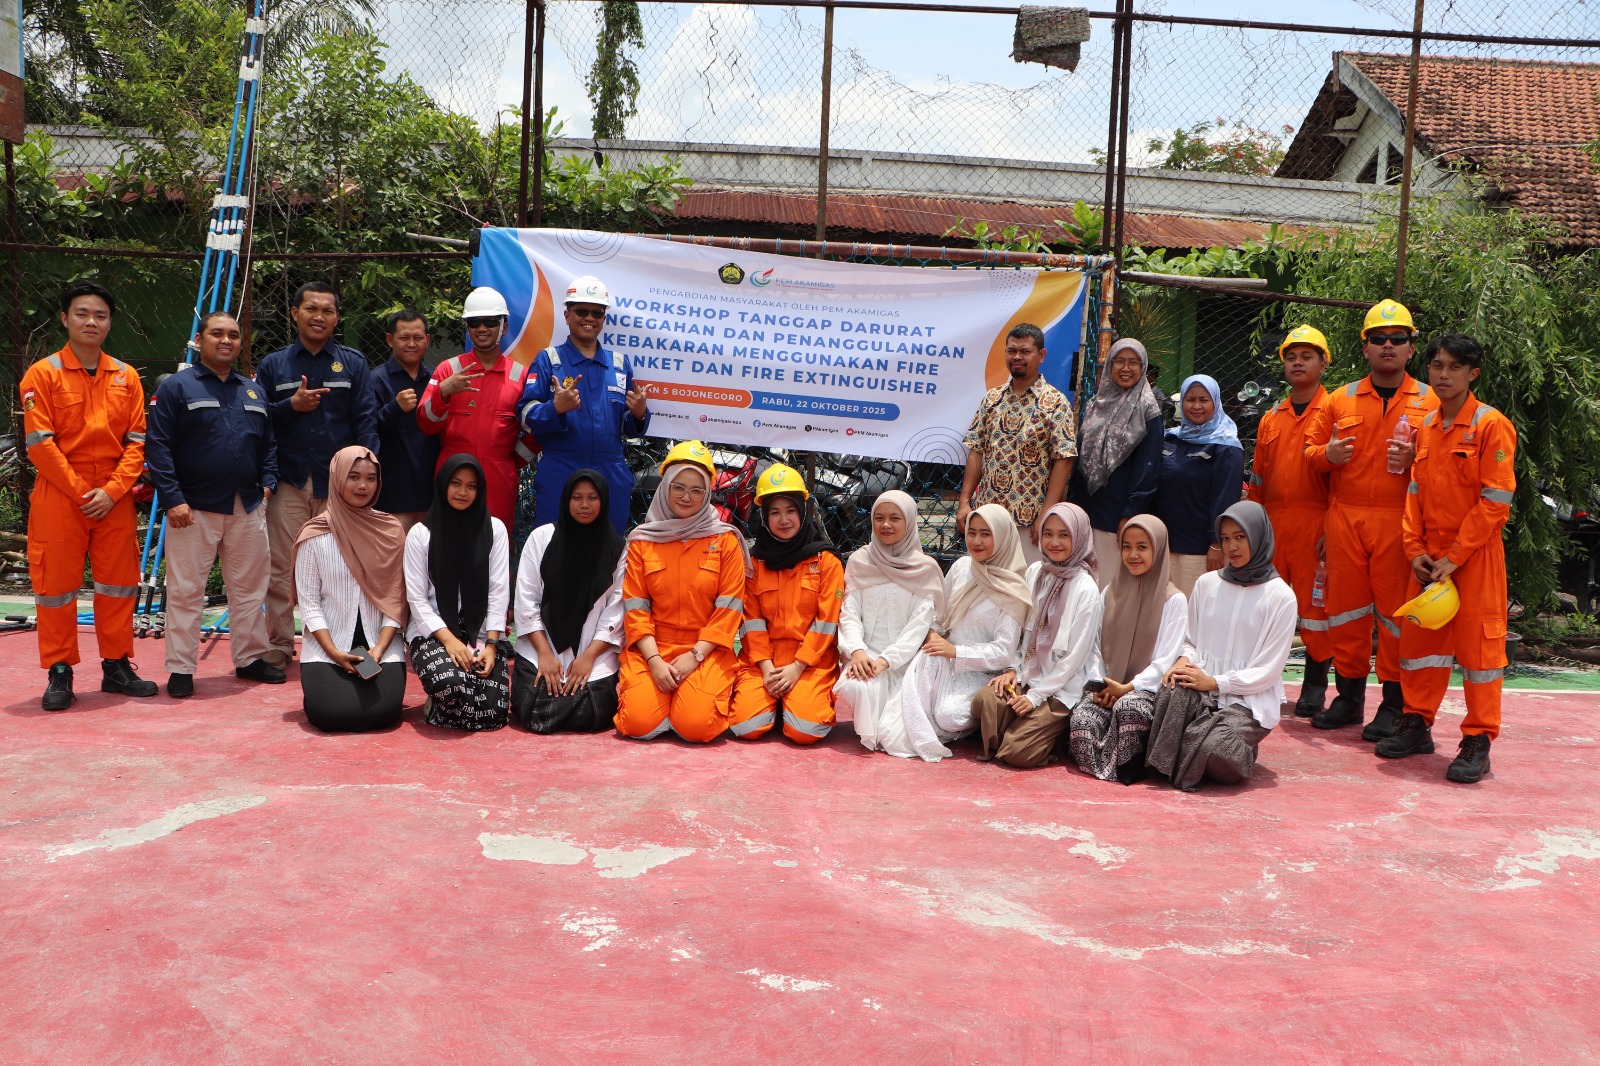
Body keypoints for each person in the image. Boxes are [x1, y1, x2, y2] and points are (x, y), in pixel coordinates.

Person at [1377, 335, 1517, 784]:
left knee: (1480, 652)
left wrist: (1455, 558)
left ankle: (1478, 740)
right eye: (1437, 365)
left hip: (1474, 558)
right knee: (1420, 647)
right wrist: (1415, 551)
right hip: (1428, 557)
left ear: (1472, 373)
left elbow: (1496, 500)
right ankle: (1416, 722)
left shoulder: (1491, 426)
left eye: (1454, 367)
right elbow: (1413, 495)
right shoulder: (1428, 426)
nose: (1443, 374)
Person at [21, 280, 159, 710]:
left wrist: (114, 490)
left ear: (110, 322)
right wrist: (85, 493)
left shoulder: (126, 376)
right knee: (56, 588)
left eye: (100, 315)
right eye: (82, 313)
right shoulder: (42, 374)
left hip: (113, 497)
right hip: (61, 495)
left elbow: (137, 441)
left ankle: (116, 666)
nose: (91, 321)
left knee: (118, 585)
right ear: (65, 319)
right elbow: (40, 444)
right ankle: (60, 671)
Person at [1304, 300, 1438, 737]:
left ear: (1410, 348)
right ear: (1364, 348)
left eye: (1397, 339)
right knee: (1344, 612)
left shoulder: (1431, 399)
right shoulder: (1340, 398)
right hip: (1345, 519)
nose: (1387, 345)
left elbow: (1449, 466)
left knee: (1395, 616)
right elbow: (1308, 453)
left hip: (1399, 522)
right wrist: (1328, 455)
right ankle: (1349, 697)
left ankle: (1393, 703)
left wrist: (1419, 455)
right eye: (1378, 339)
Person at [144, 311, 284, 698]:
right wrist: (172, 499)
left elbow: (269, 444)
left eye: (234, 335)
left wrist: (269, 484)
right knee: (187, 591)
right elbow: (158, 446)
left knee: (250, 589)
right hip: (192, 509)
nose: (227, 341)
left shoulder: (253, 391)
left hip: (248, 505)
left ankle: (250, 658)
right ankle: (181, 668)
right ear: (199, 339)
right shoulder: (177, 387)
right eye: (217, 334)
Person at [255, 281, 380, 668]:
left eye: (327, 310)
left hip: (338, 488)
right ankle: (279, 643)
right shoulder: (274, 365)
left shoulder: (353, 363)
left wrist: (364, 480)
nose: (319, 316)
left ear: (337, 317)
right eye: (311, 309)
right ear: (295, 313)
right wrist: (290, 405)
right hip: (290, 481)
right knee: (281, 566)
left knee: (342, 566)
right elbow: (258, 420)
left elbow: (366, 423)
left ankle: (339, 640)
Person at [1146, 501, 1298, 791]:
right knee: (1172, 690)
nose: (1232, 547)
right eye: (1226, 538)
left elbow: (1268, 670)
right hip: (1203, 686)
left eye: (1241, 537)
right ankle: (1189, 746)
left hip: (1247, 702)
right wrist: (1183, 661)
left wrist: (1215, 682)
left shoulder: (1280, 596)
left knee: (1217, 749)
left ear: (1259, 536)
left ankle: (1218, 747)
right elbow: (1190, 641)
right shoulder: (1206, 584)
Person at [614, 441, 747, 741]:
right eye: (678, 487)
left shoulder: (725, 541)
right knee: (637, 724)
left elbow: (729, 609)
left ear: (708, 494)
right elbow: (635, 609)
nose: (687, 497)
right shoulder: (642, 542)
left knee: (696, 726)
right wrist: (654, 662)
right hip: (653, 649)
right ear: (665, 488)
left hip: (705, 649)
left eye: (697, 490)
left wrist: (695, 656)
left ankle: (684, 704)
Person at [884, 504, 1030, 761]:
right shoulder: (963, 566)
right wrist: (932, 634)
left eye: (986, 534)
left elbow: (1004, 651)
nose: (976, 541)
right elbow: (941, 614)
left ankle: (944, 726)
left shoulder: (1013, 588)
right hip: (944, 659)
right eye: (972, 532)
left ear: (1003, 536)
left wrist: (955, 652)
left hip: (981, 671)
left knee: (948, 716)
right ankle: (916, 731)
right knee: (926, 660)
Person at [973, 502, 1103, 768]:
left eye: (1064, 535)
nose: (1054, 542)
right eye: (1048, 533)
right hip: (1027, 675)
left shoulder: (1085, 588)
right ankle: (1026, 731)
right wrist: (1011, 669)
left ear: (1079, 537)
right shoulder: (1036, 573)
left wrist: (1035, 697)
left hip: (1060, 688)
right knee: (984, 701)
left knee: (1018, 753)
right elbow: (1022, 633)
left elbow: (1074, 658)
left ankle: (1049, 733)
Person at [1247, 325, 1334, 717]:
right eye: (1291, 356)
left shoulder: (1335, 413)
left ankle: (1315, 686)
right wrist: (1253, 527)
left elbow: (1343, 479)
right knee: (1266, 609)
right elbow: (1258, 479)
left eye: (1307, 356)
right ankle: (1262, 683)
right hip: (1272, 525)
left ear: (1323, 363)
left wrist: (1332, 527)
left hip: (1316, 525)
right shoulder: (1271, 418)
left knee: (1316, 612)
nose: (1297, 363)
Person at [519, 276, 650, 535]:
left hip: (610, 469)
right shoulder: (549, 359)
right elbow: (525, 415)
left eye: (597, 312)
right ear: (567, 315)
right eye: (581, 311)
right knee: (552, 543)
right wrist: (554, 409)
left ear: (603, 318)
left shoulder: (619, 364)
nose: (589, 318)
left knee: (609, 548)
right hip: (561, 466)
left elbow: (628, 425)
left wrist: (638, 414)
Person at [291, 446, 409, 732]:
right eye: (353, 476)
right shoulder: (314, 534)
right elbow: (309, 604)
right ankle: (318, 696)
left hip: (380, 644)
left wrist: (379, 649)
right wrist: (334, 653)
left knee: (384, 711)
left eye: (371, 478)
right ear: (337, 478)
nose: (363, 486)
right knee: (331, 713)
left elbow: (397, 597)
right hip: (327, 646)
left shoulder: (390, 531)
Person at [728, 464, 845, 744]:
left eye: (791, 510)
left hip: (810, 662)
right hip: (762, 662)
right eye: (775, 512)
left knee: (805, 730)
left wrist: (798, 667)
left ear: (803, 513)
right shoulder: (754, 563)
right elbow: (751, 622)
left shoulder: (827, 561)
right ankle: (776, 702)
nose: (784, 520)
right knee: (747, 727)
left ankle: (791, 703)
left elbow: (827, 622)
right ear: (764, 517)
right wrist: (768, 669)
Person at [1067, 515, 1186, 783]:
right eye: (1126, 546)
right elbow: (1095, 644)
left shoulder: (1174, 601)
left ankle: (1131, 765)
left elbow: (1165, 661)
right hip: (1108, 687)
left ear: (1158, 549)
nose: (1132, 555)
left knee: (1129, 710)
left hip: (1145, 690)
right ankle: (1112, 765)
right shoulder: (1110, 591)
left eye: (1142, 547)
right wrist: (1102, 684)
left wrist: (1128, 688)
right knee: (1083, 721)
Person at [511, 469, 627, 733]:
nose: (584, 505)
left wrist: (588, 657)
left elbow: (614, 612)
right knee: (531, 710)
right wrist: (544, 654)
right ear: (566, 500)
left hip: (593, 650)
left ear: (604, 501)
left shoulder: (618, 549)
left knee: (592, 714)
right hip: (542, 645)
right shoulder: (541, 539)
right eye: (577, 497)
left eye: (592, 498)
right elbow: (527, 602)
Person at [405, 454, 513, 731]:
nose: (463, 492)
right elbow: (417, 598)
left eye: (472, 486)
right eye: (456, 483)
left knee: (493, 712)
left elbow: (499, 589)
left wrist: (491, 645)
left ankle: (452, 701)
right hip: (434, 631)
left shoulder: (495, 529)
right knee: (450, 685)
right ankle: (438, 699)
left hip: (481, 631)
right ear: (443, 485)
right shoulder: (420, 534)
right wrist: (450, 641)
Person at [416, 288, 537, 528]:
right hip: (452, 474)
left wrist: (510, 462)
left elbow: (536, 432)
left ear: (503, 326)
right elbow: (425, 424)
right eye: (474, 322)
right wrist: (443, 392)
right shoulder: (447, 370)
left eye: (490, 322)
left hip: (499, 477)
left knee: (496, 545)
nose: (481, 328)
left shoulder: (520, 376)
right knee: (448, 543)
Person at [835, 490, 945, 754]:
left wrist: (886, 661)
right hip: (865, 658)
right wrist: (858, 652)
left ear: (909, 522)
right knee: (854, 685)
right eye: (879, 518)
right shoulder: (860, 560)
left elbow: (919, 627)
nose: (886, 525)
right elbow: (849, 613)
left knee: (897, 737)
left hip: (906, 664)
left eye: (895, 518)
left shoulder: (926, 568)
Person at [958, 324, 1077, 562]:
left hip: (1029, 521)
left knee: (1023, 590)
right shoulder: (992, 399)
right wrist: (964, 502)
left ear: (1041, 355)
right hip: (987, 518)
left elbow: (1063, 461)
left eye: (1025, 351)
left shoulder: (1055, 403)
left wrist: (1047, 514)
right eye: (1011, 351)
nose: (1017, 357)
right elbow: (976, 451)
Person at [1068, 338, 1164, 588]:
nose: (1125, 368)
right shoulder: (1094, 405)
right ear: (1109, 365)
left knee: (1106, 586)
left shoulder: (1148, 412)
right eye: (1119, 361)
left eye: (1134, 362)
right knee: (1080, 584)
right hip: (1085, 510)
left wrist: (1130, 514)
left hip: (1117, 516)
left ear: (1143, 368)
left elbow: (1148, 468)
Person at [1157, 374, 1245, 596]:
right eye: (1190, 399)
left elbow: (1225, 500)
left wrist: (1216, 543)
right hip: (1163, 546)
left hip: (1200, 552)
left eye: (1204, 400)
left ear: (1215, 403)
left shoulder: (1226, 446)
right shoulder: (1170, 439)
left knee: (1192, 616)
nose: (1196, 406)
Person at [370, 309, 439, 528]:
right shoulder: (375, 380)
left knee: (427, 560)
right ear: (390, 340)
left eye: (418, 338)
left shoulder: (435, 380)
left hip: (431, 493)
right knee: (391, 560)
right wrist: (394, 408)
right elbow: (367, 431)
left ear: (427, 340)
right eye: (404, 338)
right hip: (392, 496)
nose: (411, 344)